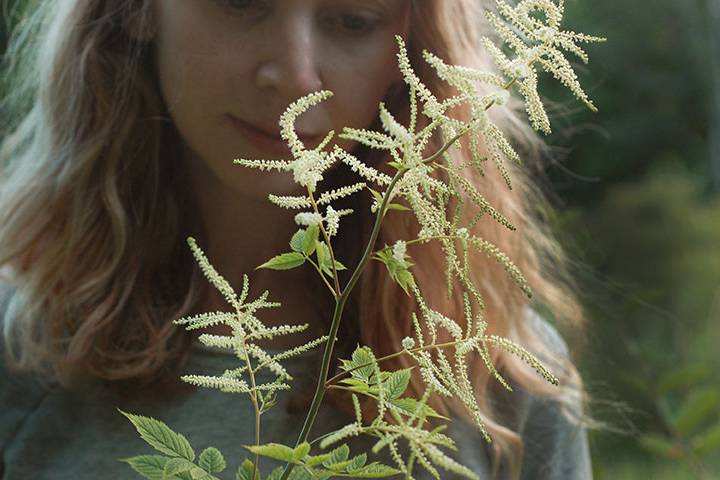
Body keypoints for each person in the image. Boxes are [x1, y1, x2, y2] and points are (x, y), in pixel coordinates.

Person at [0, 0, 595, 478]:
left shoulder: (503, 380)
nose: (292, 75)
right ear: (137, 9)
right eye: (241, 4)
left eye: (351, 21)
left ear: (415, 54)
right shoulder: (20, 347)